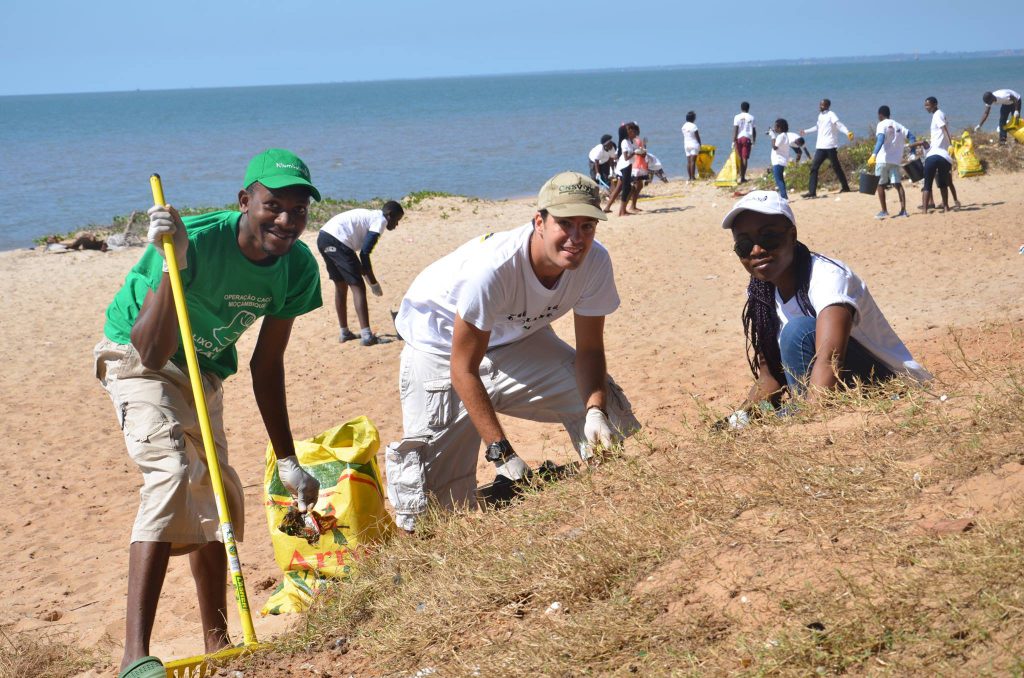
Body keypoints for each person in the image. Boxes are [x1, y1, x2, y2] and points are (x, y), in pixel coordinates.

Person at [95, 149, 324, 677]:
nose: (287, 221)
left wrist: (287, 459)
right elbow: (150, 353)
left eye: (299, 210)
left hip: (205, 370)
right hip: (138, 357)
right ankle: (134, 659)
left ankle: (218, 641)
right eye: (273, 206)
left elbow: (268, 365)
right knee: (173, 475)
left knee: (218, 490)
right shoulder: (191, 241)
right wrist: (176, 261)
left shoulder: (298, 266)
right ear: (245, 201)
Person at [387, 171, 640, 532]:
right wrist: (502, 452)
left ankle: (610, 500)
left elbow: (590, 350)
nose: (576, 238)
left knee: (606, 406)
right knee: (428, 501)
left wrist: (595, 411)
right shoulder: (494, 269)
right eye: (564, 224)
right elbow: (463, 369)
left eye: (587, 226)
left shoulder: (595, 263)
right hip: (440, 344)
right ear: (539, 221)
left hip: (517, 333)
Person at [717, 191, 931, 429]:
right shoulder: (762, 293)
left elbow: (830, 359)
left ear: (792, 235)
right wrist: (738, 420)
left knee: (798, 331)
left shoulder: (828, 277)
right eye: (744, 245)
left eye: (769, 238)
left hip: (892, 387)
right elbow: (771, 377)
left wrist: (808, 422)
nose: (756, 251)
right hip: (829, 389)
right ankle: (794, 412)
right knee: (764, 415)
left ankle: (801, 413)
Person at [317, 202, 405, 346]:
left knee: (341, 285)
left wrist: (368, 276)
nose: (396, 225)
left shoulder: (372, 216)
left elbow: (361, 260)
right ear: (389, 214)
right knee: (358, 287)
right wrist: (373, 283)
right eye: (396, 220)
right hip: (339, 240)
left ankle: (344, 333)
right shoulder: (380, 221)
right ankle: (367, 336)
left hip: (323, 237)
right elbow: (364, 254)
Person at [909, 96, 956, 213]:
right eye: (925, 105)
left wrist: (950, 144)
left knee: (927, 184)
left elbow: (944, 129)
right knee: (943, 183)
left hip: (934, 155)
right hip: (943, 157)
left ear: (935, 104)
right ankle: (946, 206)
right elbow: (941, 134)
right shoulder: (940, 114)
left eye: (928, 105)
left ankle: (925, 210)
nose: (926, 107)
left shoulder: (937, 115)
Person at [867, 105, 914, 219]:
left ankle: (884, 211)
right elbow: (912, 136)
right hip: (895, 160)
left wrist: (873, 154)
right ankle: (903, 211)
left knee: (880, 185)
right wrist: (912, 152)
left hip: (882, 159)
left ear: (880, 115)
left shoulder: (881, 124)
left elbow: (880, 139)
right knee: (897, 184)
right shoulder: (897, 125)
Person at [801, 99, 853, 198]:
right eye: (820, 104)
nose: (820, 106)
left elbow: (839, 125)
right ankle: (812, 192)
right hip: (820, 147)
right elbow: (817, 127)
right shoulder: (820, 116)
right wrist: (806, 131)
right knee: (814, 168)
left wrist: (847, 132)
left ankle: (845, 187)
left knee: (836, 167)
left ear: (828, 106)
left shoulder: (831, 114)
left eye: (823, 105)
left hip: (830, 146)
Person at [602, 122, 640, 216]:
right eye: (629, 129)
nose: (631, 131)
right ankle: (622, 211)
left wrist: (637, 151)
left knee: (621, 188)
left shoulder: (628, 141)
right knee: (626, 188)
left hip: (625, 165)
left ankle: (613, 208)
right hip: (624, 166)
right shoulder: (624, 142)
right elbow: (626, 157)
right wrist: (635, 152)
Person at [767, 118, 796, 199]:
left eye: (775, 127)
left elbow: (775, 147)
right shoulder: (784, 136)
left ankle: (784, 197)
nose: (774, 128)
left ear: (780, 128)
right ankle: (784, 195)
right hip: (780, 161)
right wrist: (773, 135)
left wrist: (772, 136)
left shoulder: (781, 136)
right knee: (780, 179)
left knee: (779, 180)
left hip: (778, 161)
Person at [733, 102, 757, 183]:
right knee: (745, 158)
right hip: (746, 138)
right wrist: (754, 140)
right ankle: (743, 177)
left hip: (739, 138)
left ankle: (740, 175)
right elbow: (754, 130)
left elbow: (735, 129)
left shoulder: (737, 117)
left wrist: (733, 140)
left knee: (740, 157)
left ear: (741, 108)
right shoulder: (751, 117)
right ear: (748, 108)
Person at [681, 111, 702, 181]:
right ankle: (693, 177)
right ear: (693, 118)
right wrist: (700, 144)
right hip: (694, 144)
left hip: (686, 144)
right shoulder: (693, 126)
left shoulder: (683, 126)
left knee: (689, 161)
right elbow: (697, 136)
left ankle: (689, 177)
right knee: (693, 161)